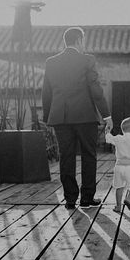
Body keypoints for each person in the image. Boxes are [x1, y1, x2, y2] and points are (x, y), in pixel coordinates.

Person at [42, 27, 113, 209]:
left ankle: (70, 199)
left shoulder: (51, 62)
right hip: (85, 116)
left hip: (60, 118)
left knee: (66, 157)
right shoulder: (87, 60)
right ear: (79, 40)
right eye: (83, 40)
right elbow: (95, 89)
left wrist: (48, 116)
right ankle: (87, 198)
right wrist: (107, 115)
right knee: (89, 155)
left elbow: (46, 93)